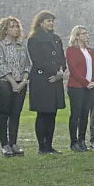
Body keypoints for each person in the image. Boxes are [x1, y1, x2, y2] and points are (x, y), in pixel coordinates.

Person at [27, 11, 66, 155]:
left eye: (52, 21)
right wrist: (54, 71)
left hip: (55, 79)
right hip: (42, 80)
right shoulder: (34, 39)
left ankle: (49, 145)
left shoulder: (56, 38)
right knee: (43, 113)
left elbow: (62, 57)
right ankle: (42, 147)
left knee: (52, 113)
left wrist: (60, 71)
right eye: (47, 21)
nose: (50, 23)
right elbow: (37, 60)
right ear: (40, 22)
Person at [0, 16, 30, 157]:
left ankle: (13, 142)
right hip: (4, 83)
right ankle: (4, 144)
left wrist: (24, 81)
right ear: (5, 29)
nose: (15, 29)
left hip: (21, 83)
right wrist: (13, 82)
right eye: (12, 27)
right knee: (4, 112)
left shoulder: (22, 45)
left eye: (17, 26)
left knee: (16, 113)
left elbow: (28, 64)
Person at [65, 25, 94, 152]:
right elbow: (73, 69)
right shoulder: (71, 50)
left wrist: (93, 81)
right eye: (83, 33)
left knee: (85, 114)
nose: (86, 35)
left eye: (86, 33)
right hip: (76, 87)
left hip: (89, 87)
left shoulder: (89, 51)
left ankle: (82, 140)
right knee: (76, 114)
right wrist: (85, 82)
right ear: (77, 36)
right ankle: (73, 142)